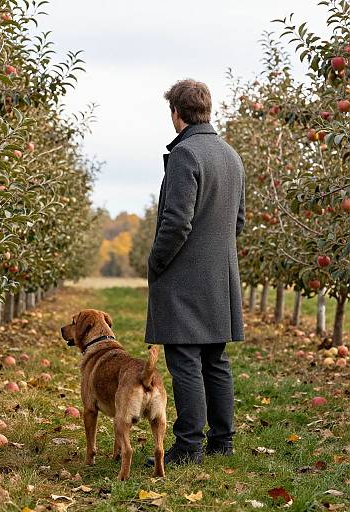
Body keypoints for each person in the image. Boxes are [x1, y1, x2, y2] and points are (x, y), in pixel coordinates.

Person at [145, 79, 245, 465]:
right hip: (219, 277)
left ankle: (189, 446)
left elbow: (176, 223)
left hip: (185, 278)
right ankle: (223, 441)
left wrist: (156, 261)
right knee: (215, 359)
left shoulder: (187, 154)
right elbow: (237, 223)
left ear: (176, 113)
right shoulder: (231, 155)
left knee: (185, 359)